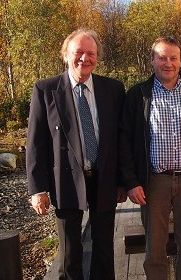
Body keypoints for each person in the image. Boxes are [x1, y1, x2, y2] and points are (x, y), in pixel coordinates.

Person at [26, 28, 126, 279]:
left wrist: (124, 181)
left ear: (98, 57)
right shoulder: (46, 89)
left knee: (104, 248)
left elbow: (121, 139)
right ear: (66, 55)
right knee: (71, 251)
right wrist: (37, 189)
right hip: (66, 180)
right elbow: (36, 142)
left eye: (91, 53)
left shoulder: (113, 89)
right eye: (78, 52)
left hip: (104, 179)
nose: (85, 59)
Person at [119, 36, 181, 280]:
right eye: (162, 58)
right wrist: (131, 182)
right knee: (155, 248)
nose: (168, 63)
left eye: (173, 58)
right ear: (152, 60)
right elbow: (124, 141)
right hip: (153, 182)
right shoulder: (138, 94)